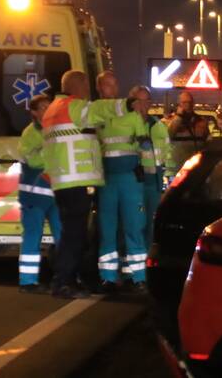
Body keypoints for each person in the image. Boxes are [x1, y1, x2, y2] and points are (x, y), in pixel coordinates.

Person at [41, 70, 130, 299]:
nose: (88, 93)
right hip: (76, 181)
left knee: (71, 233)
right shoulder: (74, 106)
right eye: (86, 87)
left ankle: (68, 279)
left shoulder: (52, 109)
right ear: (78, 87)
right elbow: (100, 109)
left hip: (63, 182)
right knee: (75, 235)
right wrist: (128, 104)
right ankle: (64, 282)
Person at [94, 72, 149, 294]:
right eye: (108, 85)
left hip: (128, 177)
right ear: (100, 88)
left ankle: (138, 277)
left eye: (115, 84)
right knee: (107, 229)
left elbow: (144, 144)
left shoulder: (131, 113)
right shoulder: (95, 111)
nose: (113, 89)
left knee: (134, 226)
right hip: (106, 178)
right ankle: (107, 276)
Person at [15, 94, 61, 293]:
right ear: (34, 113)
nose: (47, 110)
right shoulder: (30, 133)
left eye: (49, 106)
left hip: (56, 193)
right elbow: (32, 160)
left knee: (64, 237)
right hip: (35, 194)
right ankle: (28, 281)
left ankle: (65, 278)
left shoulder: (56, 129)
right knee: (33, 236)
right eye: (42, 107)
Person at [132, 85, 172, 248]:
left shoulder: (158, 126)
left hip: (153, 183)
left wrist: (166, 178)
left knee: (150, 224)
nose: (143, 105)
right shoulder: (125, 125)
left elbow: (167, 153)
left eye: (146, 101)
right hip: (132, 182)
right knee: (134, 223)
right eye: (139, 101)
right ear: (132, 103)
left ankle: (145, 259)